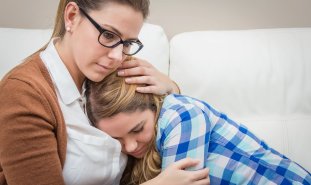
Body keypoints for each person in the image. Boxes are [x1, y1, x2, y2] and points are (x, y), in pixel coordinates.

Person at [0, 0, 210, 185]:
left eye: (128, 43)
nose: (118, 56)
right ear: (72, 16)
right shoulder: (23, 95)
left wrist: (171, 89)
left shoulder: (115, 71)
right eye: (108, 35)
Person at [86, 71, 311, 185]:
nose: (131, 146)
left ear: (154, 105)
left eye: (137, 129)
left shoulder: (182, 115)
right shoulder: (139, 153)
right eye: (117, 140)